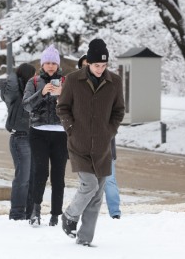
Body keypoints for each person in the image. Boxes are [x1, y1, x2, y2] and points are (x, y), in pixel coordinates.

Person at [57, 39, 125, 246]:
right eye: (97, 65)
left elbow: (118, 111)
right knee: (90, 185)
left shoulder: (114, 81)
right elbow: (62, 108)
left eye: (104, 66)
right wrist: (71, 129)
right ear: (88, 63)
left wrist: (109, 131)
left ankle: (85, 240)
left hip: (103, 147)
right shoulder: (73, 80)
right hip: (78, 144)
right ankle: (69, 216)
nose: (100, 69)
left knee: (97, 196)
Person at [22, 45, 67, 227]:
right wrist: (41, 93)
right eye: (47, 63)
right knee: (40, 172)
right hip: (38, 133)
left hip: (61, 134)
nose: (50, 66)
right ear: (42, 64)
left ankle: (56, 214)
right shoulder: (33, 82)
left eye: (53, 63)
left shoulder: (66, 81)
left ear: (58, 65)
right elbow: (26, 105)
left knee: (59, 175)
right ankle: (35, 210)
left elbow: (75, 106)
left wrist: (62, 95)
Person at [78, 54, 121, 220]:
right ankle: (84, 213)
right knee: (87, 182)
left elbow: (116, 112)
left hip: (105, 143)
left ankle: (115, 212)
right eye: (83, 66)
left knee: (109, 179)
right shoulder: (77, 87)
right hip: (83, 146)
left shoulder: (108, 86)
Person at [2, 62, 37, 220]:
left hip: (34, 137)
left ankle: (29, 212)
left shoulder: (33, 91)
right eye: (32, 74)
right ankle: (17, 213)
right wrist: (13, 74)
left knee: (32, 177)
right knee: (22, 178)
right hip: (20, 137)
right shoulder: (14, 94)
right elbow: (10, 90)